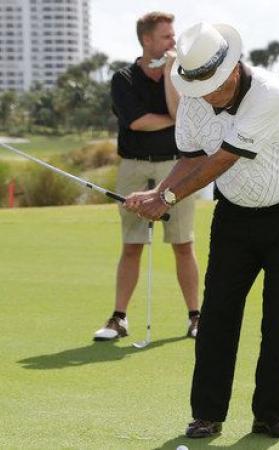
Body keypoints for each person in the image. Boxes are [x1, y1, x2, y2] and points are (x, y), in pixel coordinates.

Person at [124, 22, 279, 440]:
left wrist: (169, 199)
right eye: (198, 87)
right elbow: (191, 158)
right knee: (217, 313)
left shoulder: (269, 92)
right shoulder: (196, 97)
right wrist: (157, 193)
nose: (206, 95)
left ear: (232, 69)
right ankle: (207, 414)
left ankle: (270, 413)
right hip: (235, 213)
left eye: (213, 85)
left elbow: (222, 160)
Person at [94, 12, 200, 342]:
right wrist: (173, 117)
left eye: (173, 35)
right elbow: (138, 122)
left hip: (176, 166)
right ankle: (119, 318)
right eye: (167, 37)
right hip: (135, 167)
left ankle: (197, 318)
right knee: (132, 246)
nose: (173, 41)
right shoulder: (123, 78)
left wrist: (170, 73)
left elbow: (180, 113)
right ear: (147, 40)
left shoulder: (181, 75)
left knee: (183, 244)